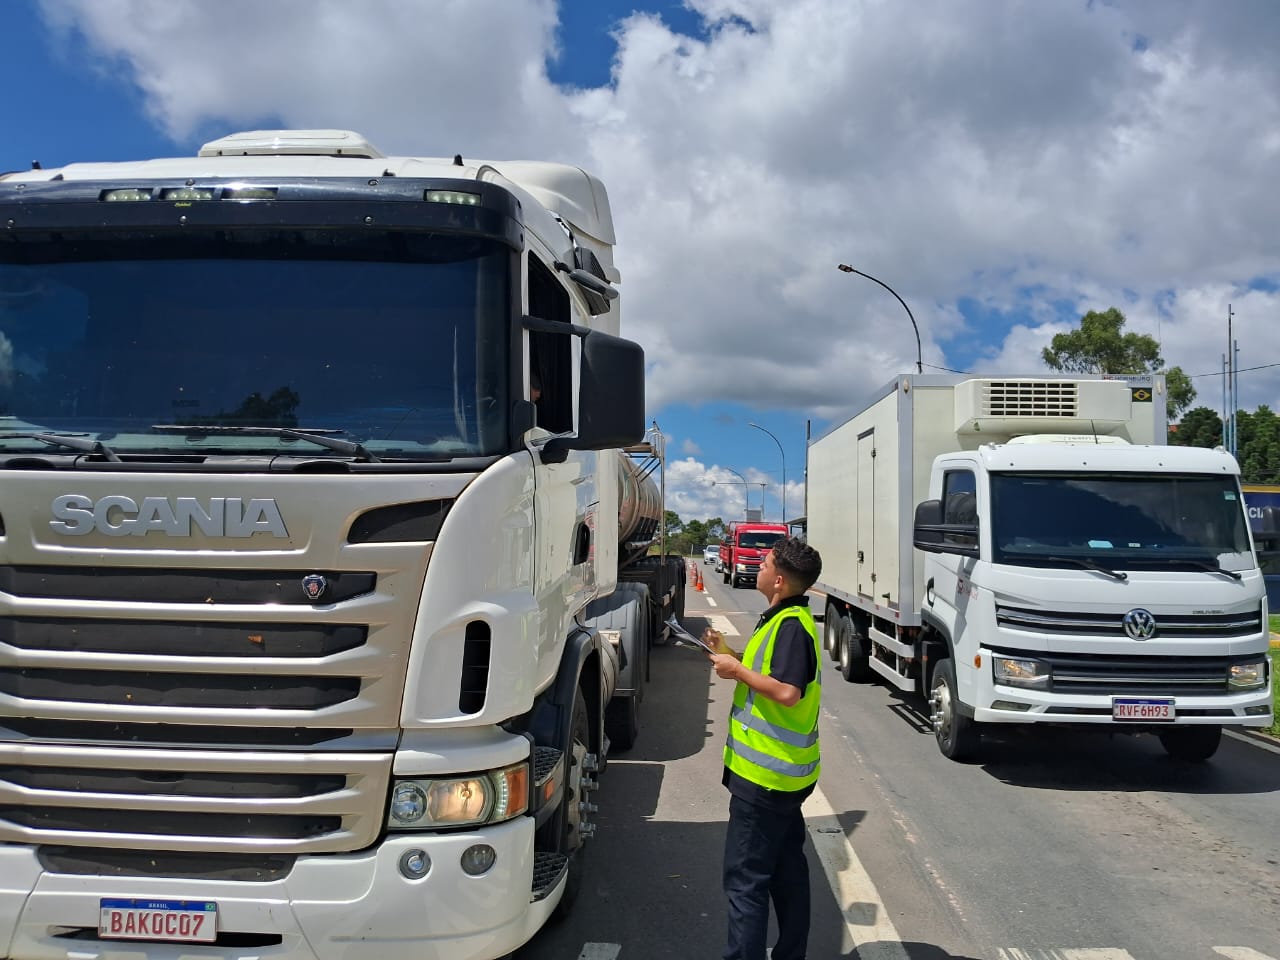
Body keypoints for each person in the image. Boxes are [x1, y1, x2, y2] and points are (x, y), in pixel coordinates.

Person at [703, 535, 823, 960]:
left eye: (767, 562)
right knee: (787, 871)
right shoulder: (782, 618)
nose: (759, 565)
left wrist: (735, 670)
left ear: (779, 581)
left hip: (765, 780)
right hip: (784, 776)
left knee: (745, 882)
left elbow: (788, 691)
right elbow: (769, 674)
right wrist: (727, 653)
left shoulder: (790, 628)